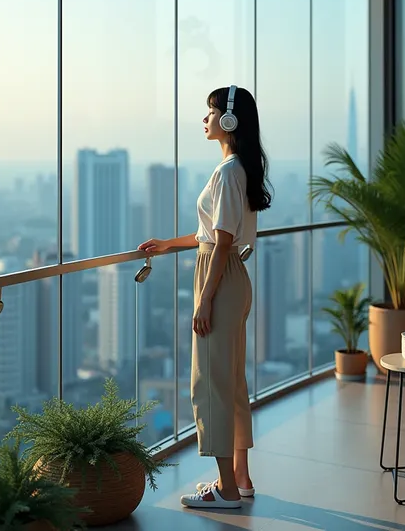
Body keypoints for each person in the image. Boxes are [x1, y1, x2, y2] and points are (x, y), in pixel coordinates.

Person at [139, 85, 272, 510]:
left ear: (229, 121)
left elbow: (221, 241)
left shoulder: (228, 172)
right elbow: (210, 235)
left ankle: (226, 491)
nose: (205, 119)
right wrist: (168, 244)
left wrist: (204, 300)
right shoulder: (236, 170)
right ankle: (241, 479)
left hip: (219, 279)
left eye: (210, 112)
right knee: (231, 383)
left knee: (210, 386)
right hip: (231, 276)